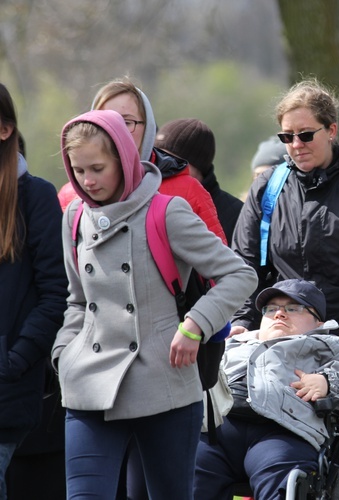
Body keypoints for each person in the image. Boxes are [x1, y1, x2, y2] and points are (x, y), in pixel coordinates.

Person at [52, 109, 256, 499]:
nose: (87, 181)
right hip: (88, 383)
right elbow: (77, 300)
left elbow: (239, 275)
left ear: (125, 161)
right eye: (77, 171)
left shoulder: (167, 211)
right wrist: (64, 353)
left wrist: (195, 324)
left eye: (97, 168)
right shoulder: (75, 217)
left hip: (164, 384)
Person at [231, 79, 339, 395]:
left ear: (331, 130)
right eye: (287, 136)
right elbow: (245, 265)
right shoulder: (268, 189)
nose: (296, 143)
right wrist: (244, 319)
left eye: (305, 134)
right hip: (288, 345)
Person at [193, 278, 339, 499]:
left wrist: (328, 382)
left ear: (319, 322)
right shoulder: (233, 342)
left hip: (281, 432)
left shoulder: (335, 345)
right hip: (218, 428)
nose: (279, 314)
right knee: (190, 474)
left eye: (293, 308)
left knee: (281, 479)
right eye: (271, 309)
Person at [0, 84, 68, 499]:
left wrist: (14, 360)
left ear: (5, 129)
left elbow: (55, 293)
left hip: (9, 387)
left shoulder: (36, 196)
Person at [58, 77, 226, 244]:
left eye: (126, 122)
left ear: (148, 127)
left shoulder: (187, 190)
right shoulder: (71, 197)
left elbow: (218, 264)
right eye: (105, 122)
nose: (116, 131)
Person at [154, 118, 243, 240]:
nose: (160, 165)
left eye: (170, 161)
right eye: (156, 157)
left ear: (197, 167)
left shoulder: (235, 214)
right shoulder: (143, 196)